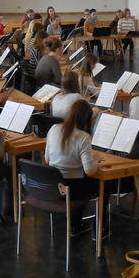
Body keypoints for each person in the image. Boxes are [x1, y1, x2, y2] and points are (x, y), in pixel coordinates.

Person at [44, 99, 106, 235]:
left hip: (53, 187)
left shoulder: (54, 128)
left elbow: (47, 160)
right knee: (104, 186)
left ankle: (76, 224)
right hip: (72, 189)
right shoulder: (84, 137)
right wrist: (95, 160)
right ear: (86, 120)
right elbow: (90, 171)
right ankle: (99, 229)